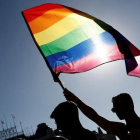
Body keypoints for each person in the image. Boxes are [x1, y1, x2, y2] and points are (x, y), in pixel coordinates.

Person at [63, 88, 140, 140]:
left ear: (129, 104)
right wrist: (75, 99)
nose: (116, 111)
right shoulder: (121, 130)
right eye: (113, 109)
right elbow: (95, 117)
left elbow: (95, 117)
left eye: (117, 106)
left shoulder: (121, 130)